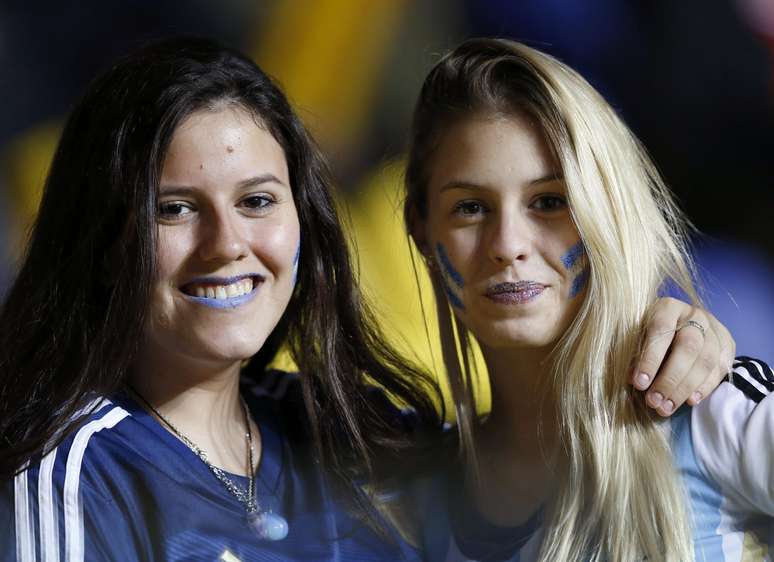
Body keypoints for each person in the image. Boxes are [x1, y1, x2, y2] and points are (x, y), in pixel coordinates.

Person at [0, 36, 734, 561]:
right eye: (175, 209)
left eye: (257, 200)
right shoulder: (69, 474)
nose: (227, 242)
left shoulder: (352, 437)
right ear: (102, 235)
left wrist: (688, 338)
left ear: (303, 220)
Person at [404, 38, 772, 561]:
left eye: (550, 201)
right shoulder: (406, 497)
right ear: (420, 230)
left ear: (608, 210)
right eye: (470, 207)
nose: (508, 245)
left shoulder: (706, 410)